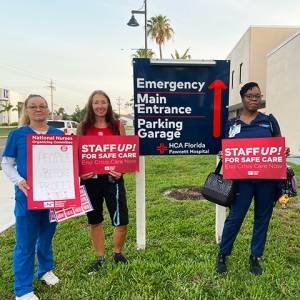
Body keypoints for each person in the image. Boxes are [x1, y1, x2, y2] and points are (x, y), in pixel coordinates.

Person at [215, 82, 290, 276]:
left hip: (267, 180)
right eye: (250, 95)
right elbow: (227, 149)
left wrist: (283, 151)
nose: (254, 99)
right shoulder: (232, 124)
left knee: (262, 218)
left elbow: (277, 147)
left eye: (258, 95)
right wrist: (224, 155)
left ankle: (255, 256)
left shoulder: (269, 121)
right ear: (242, 98)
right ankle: (223, 253)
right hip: (242, 180)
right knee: (235, 216)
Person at [2, 94, 63, 300]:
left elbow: (66, 164)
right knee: (25, 242)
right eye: (33, 106)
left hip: (52, 196)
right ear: (26, 111)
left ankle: (45, 269)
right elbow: (7, 163)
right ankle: (23, 288)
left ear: (47, 110)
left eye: (42, 106)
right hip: (27, 196)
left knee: (46, 237)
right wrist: (19, 181)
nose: (38, 109)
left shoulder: (58, 134)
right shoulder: (17, 135)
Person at [76, 90, 129, 274]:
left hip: (112, 179)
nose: (100, 106)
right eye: (96, 103)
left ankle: (117, 253)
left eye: (103, 102)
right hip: (91, 181)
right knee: (95, 220)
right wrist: (81, 174)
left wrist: (121, 169)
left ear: (108, 105)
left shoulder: (116, 125)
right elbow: (77, 155)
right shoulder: (83, 127)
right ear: (90, 106)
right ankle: (100, 257)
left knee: (121, 220)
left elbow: (125, 153)